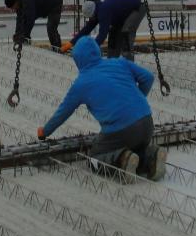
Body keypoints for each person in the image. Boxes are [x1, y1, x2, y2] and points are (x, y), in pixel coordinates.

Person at [37, 36, 167, 181]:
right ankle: (151, 156)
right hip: (146, 122)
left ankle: (121, 160)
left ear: (78, 59)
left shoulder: (81, 83)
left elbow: (62, 113)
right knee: (134, 148)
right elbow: (148, 77)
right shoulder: (119, 63)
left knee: (94, 158)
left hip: (121, 131)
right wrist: (138, 99)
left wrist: (45, 131)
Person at [63, 0, 146, 59]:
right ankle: (112, 60)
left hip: (137, 8)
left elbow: (102, 35)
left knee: (126, 32)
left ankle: (129, 64)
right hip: (123, 15)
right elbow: (86, 29)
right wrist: (71, 43)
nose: (90, 18)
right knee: (113, 32)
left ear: (93, 13)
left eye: (90, 16)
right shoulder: (97, 10)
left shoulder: (104, 11)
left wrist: (91, 48)